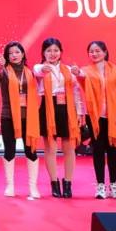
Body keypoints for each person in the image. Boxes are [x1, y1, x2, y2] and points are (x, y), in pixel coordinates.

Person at [33, 37, 85, 199]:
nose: (53, 53)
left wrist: (79, 112)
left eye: (56, 50)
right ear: (43, 53)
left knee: (69, 149)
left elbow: (76, 92)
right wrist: (44, 67)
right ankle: (54, 183)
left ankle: (67, 183)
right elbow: (38, 70)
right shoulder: (40, 68)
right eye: (49, 50)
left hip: (67, 109)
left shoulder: (68, 70)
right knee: (51, 149)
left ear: (61, 52)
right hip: (48, 108)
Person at [76, 41, 116, 200]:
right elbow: (80, 78)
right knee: (98, 150)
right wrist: (76, 72)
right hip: (94, 117)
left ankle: (114, 185)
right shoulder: (86, 71)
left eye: (97, 51)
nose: (94, 54)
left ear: (105, 52)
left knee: (113, 150)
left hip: (113, 117)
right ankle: (100, 185)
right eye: (91, 51)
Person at [0, 42, 42, 200]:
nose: (14, 55)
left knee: (31, 151)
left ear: (23, 54)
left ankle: (33, 187)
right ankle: (10, 185)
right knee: (9, 150)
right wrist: (0, 67)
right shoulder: (4, 71)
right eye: (10, 53)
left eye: (17, 52)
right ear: (7, 56)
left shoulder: (30, 72)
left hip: (29, 117)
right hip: (8, 116)